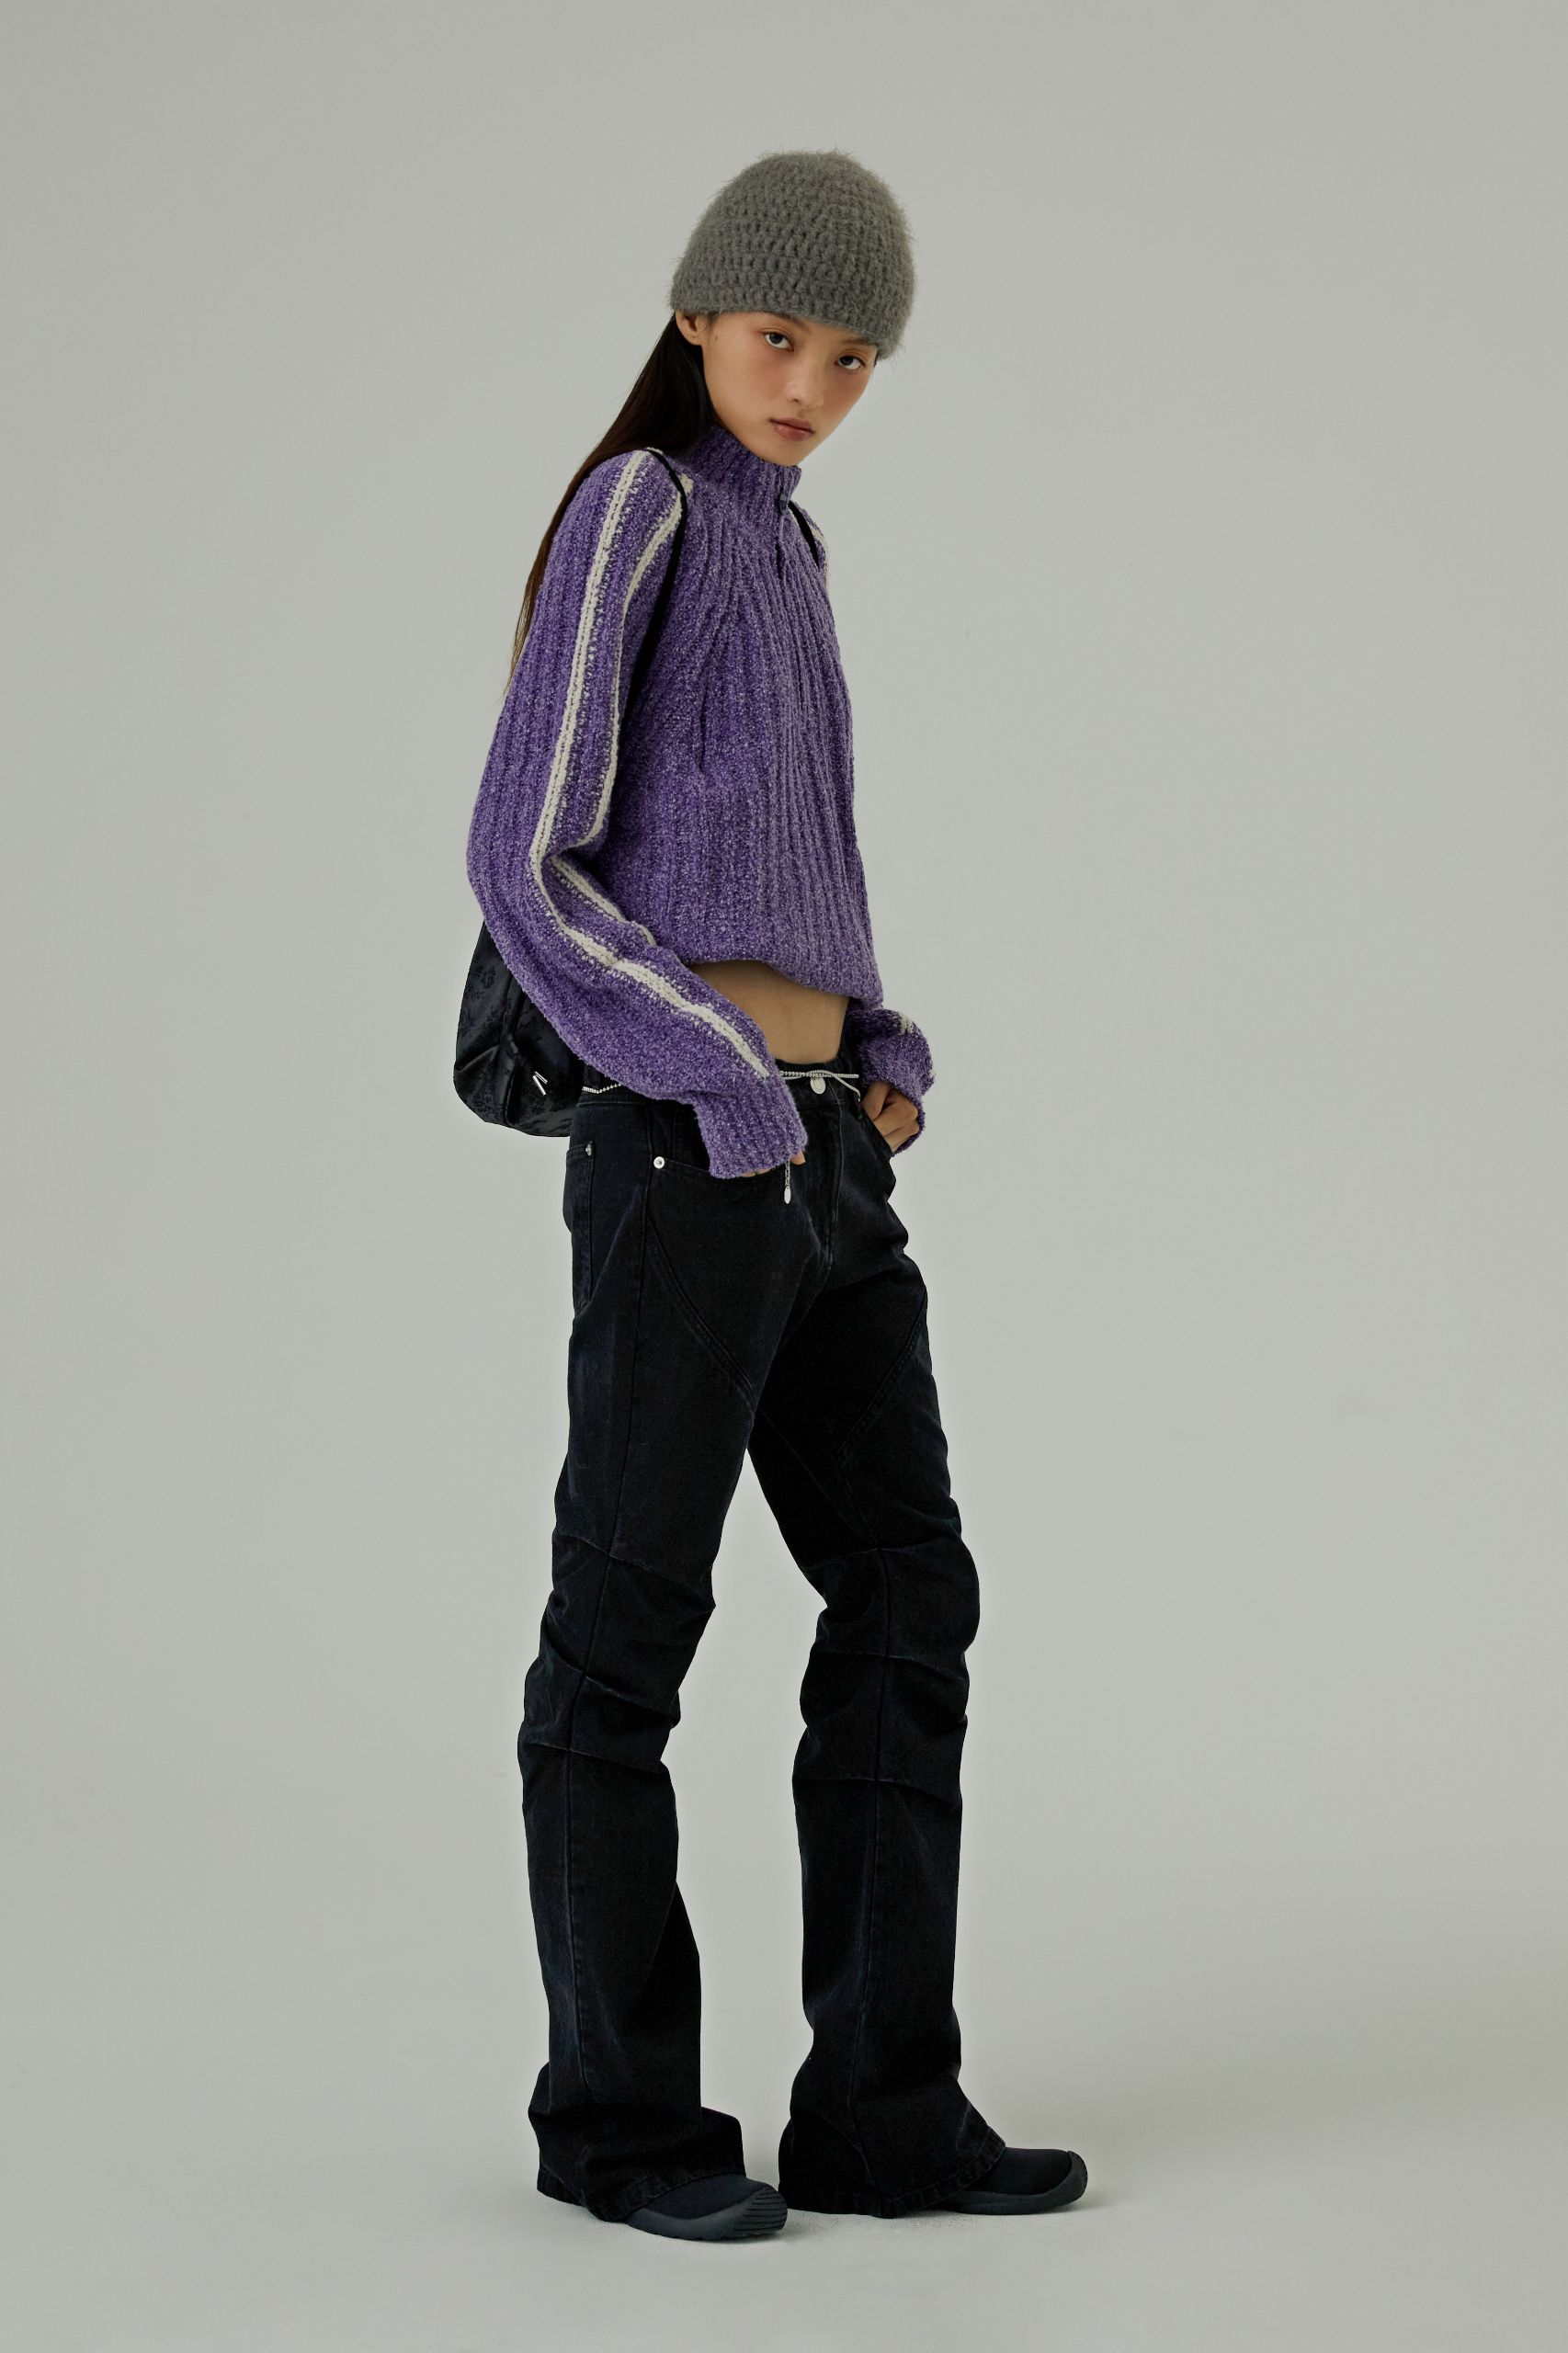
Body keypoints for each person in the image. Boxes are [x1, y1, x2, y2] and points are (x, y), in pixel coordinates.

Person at [465, 147, 1088, 2242]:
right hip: (687, 1147)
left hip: (818, 1151)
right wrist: (729, 1072)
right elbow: (525, 853)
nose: (809, 382)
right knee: (623, 1638)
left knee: (909, 1593)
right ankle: (617, 2123)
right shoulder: (636, 507)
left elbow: (780, 859)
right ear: (694, 317)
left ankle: (882, 2113)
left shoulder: (786, 539)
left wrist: (866, 1044)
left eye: (850, 356)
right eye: (775, 336)